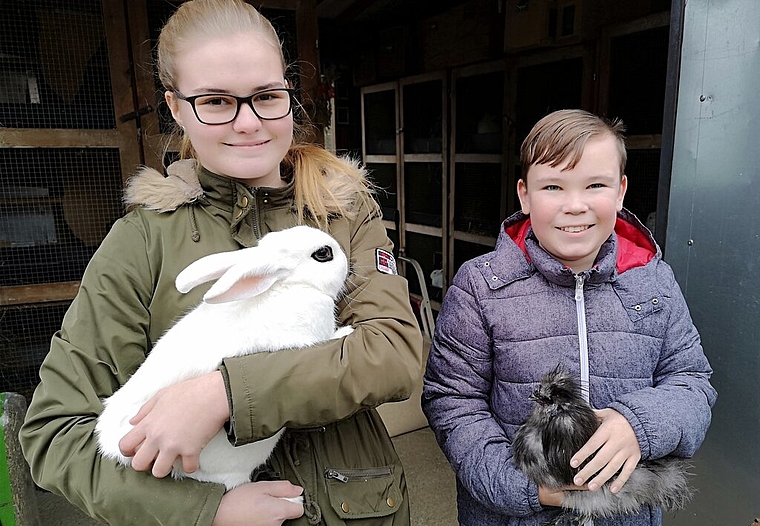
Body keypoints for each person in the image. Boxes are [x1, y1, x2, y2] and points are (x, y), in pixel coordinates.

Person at [19, 1, 423, 525]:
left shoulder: (342, 209)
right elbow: (54, 434)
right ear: (176, 106)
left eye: (266, 97)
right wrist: (205, 510)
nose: (249, 123)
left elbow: (391, 353)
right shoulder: (142, 242)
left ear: (288, 96)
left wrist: (227, 393)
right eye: (215, 101)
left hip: (357, 506)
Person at [422, 109, 717, 526]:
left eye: (595, 185)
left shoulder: (653, 281)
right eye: (554, 186)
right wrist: (525, 487)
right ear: (524, 195)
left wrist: (639, 424)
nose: (575, 205)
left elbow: (692, 382)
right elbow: (452, 401)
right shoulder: (481, 286)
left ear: (621, 191)